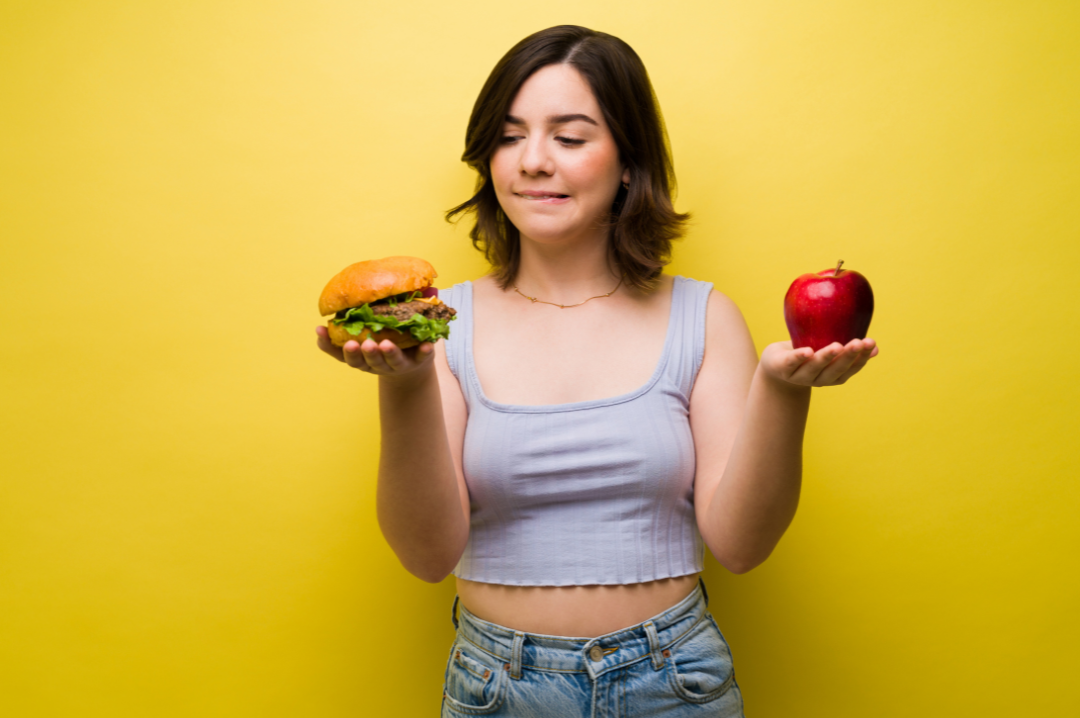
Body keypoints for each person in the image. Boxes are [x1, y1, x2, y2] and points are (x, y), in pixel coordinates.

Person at [316, 25, 877, 718]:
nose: (533, 162)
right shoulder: (440, 325)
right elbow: (428, 556)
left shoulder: (701, 316)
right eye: (510, 136)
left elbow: (740, 544)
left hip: (675, 684)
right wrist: (403, 383)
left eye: (571, 138)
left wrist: (783, 393)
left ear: (629, 163)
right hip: (498, 688)